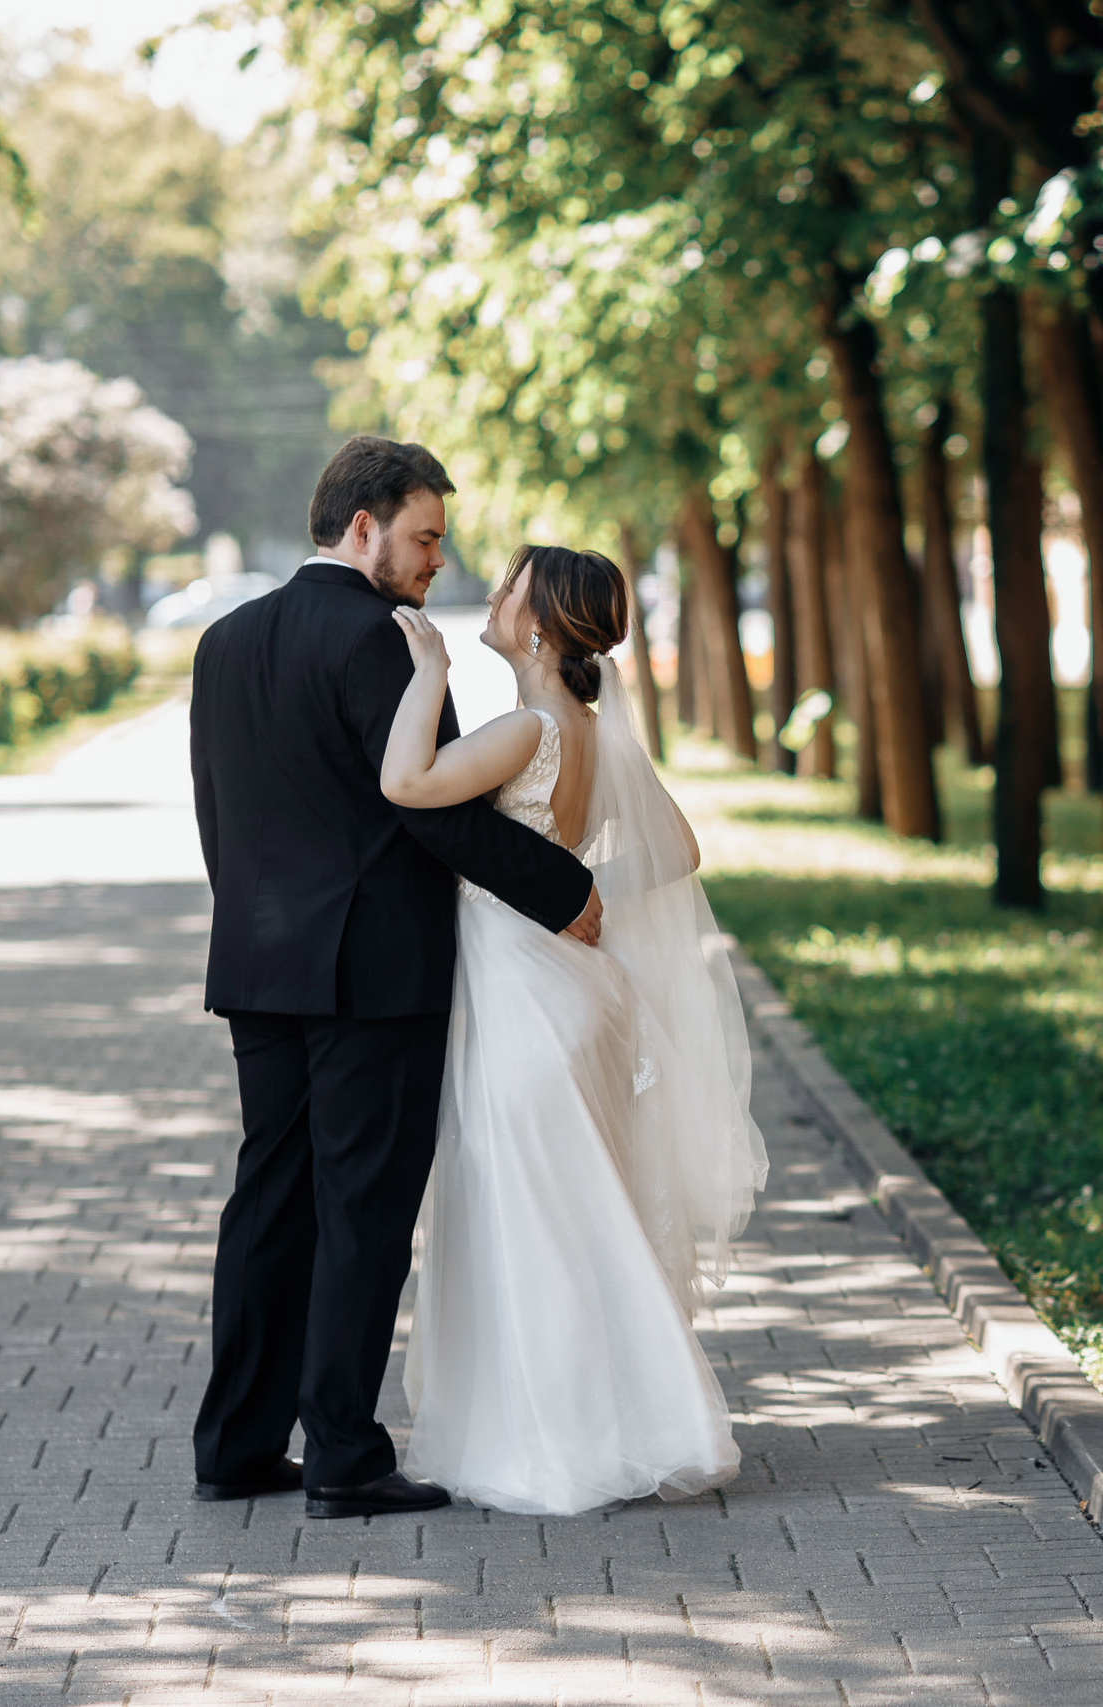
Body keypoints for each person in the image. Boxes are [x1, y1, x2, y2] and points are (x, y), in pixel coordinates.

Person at [188, 437, 603, 1520]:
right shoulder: (383, 641)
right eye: (423, 538)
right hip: (374, 974)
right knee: (362, 1211)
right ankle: (344, 1456)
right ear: (361, 525)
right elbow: (434, 815)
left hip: (259, 964)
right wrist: (564, 894)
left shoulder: (225, 641)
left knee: (269, 1202)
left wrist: (251, 926)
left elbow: (218, 820)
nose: (434, 564)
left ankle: (235, 1445)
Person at [379, 544, 766, 1515]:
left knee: (539, 1219)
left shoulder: (528, 728)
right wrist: (590, 896)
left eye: (509, 585)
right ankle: (641, 1422)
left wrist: (427, 675)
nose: (493, 593)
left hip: (525, 998)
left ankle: (564, 1444)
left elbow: (406, 786)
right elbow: (677, 847)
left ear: (541, 623)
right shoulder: (592, 729)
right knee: (586, 1211)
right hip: (578, 986)